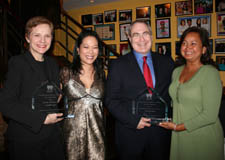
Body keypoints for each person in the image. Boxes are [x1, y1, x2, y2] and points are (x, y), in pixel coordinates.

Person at [105, 20, 174, 160]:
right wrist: (133, 120)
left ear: (151, 36)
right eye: (136, 35)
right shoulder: (118, 65)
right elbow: (111, 100)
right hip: (130, 135)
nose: (141, 39)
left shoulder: (167, 62)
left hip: (160, 134)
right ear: (129, 39)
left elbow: (174, 95)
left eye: (145, 34)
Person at [0, 16, 65, 160]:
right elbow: (6, 104)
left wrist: (58, 93)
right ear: (27, 38)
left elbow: (49, 93)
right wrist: (41, 119)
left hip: (53, 137)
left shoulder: (53, 64)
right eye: (37, 35)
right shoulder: (17, 63)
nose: (43, 41)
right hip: (26, 139)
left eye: (47, 36)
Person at [159, 26, 224, 160]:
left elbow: (209, 115)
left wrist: (178, 127)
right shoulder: (176, 72)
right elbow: (176, 102)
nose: (188, 47)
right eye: (184, 43)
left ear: (204, 49)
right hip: (180, 135)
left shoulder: (210, 73)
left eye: (193, 43)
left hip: (203, 137)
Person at [60, 30, 105, 160]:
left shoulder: (101, 74)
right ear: (78, 49)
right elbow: (53, 99)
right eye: (86, 47)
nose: (90, 52)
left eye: (95, 47)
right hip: (72, 137)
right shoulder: (66, 73)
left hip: (97, 136)